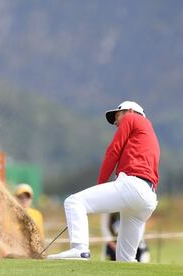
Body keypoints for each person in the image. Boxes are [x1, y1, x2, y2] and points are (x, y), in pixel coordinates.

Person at [48, 101, 159, 261]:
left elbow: (113, 151)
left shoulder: (131, 118)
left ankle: (80, 249)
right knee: (125, 261)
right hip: (147, 199)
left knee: (74, 202)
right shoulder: (148, 133)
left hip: (133, 186)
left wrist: (100, 186)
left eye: (117, 116)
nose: (116, 123)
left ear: (129, 111)